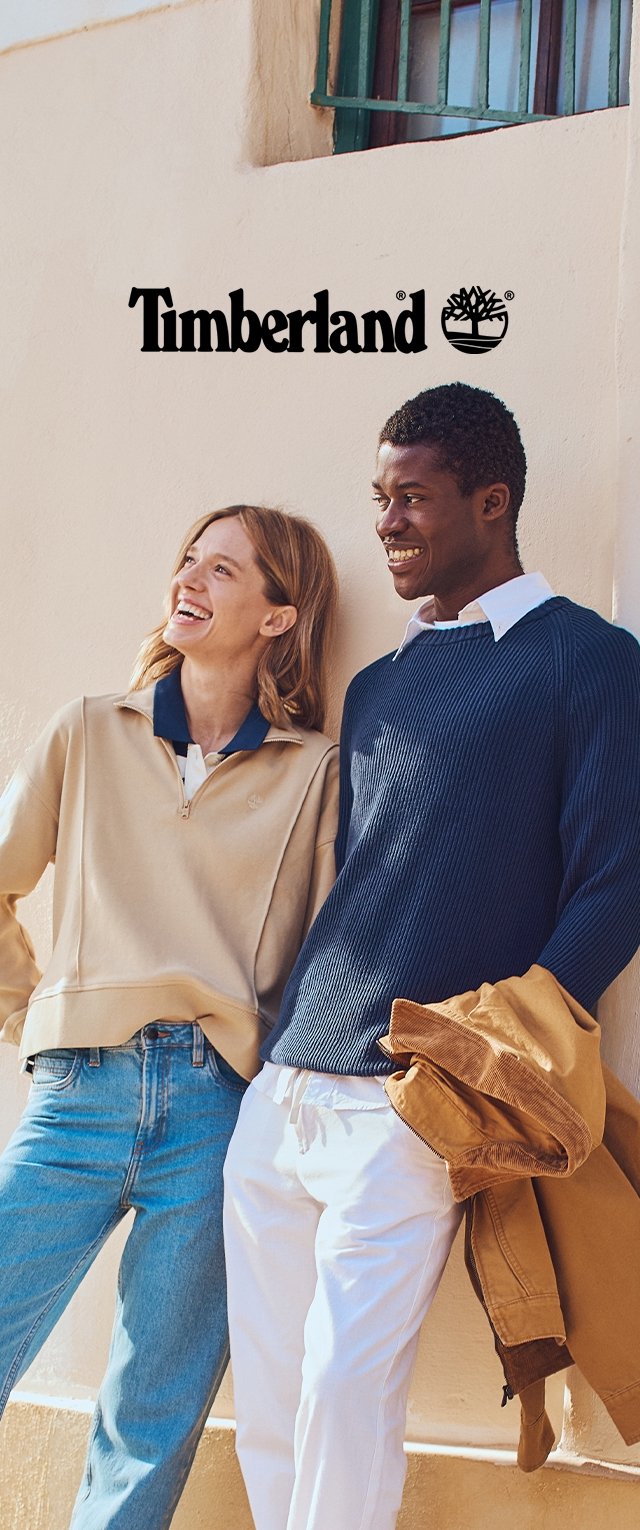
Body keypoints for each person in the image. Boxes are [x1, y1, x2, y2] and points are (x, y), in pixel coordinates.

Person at [223, 384, 640, 1530]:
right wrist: (272, 1056)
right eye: (379, 499)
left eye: (413, 498)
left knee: (344, 1391)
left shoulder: (586, 662)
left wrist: (496, 1057)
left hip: (411, 1104)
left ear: (490, 502)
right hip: (288, 1087)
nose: (389, 524)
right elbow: (368, 877)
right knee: (267, 1396)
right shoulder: (381, 687)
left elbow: (616, 879)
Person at [0, 503, 338, 1527]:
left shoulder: (311, 770)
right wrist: (38, 1018)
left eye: (224, 572)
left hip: (216, 1112)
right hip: (77, 1096)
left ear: (279, 617)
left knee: (151, 1413)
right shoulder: (88, 730)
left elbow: (328, 954)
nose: (190, 580)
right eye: (188, 562)